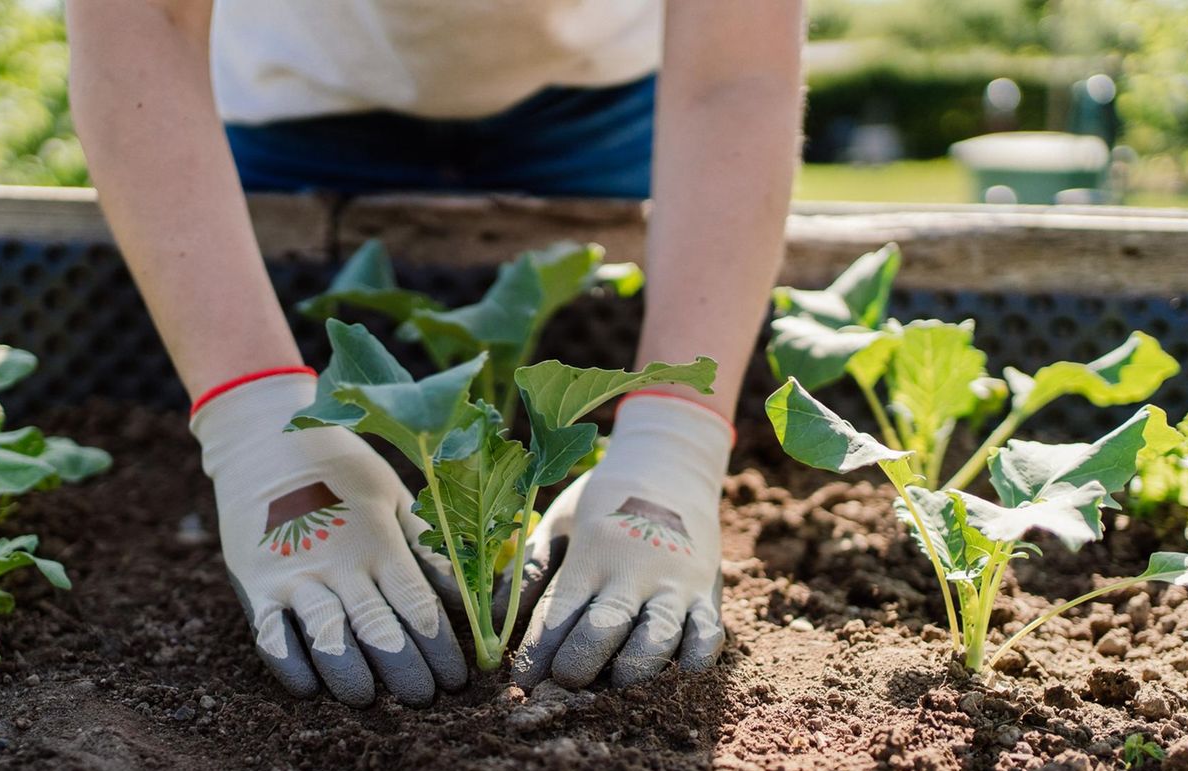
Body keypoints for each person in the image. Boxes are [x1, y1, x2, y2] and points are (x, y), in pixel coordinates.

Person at [65, 0, 804, 707]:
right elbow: (141, 19)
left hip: (603, 112)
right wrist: (254, 426)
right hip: (294, 109)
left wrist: (676, 443)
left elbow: (737, 68)